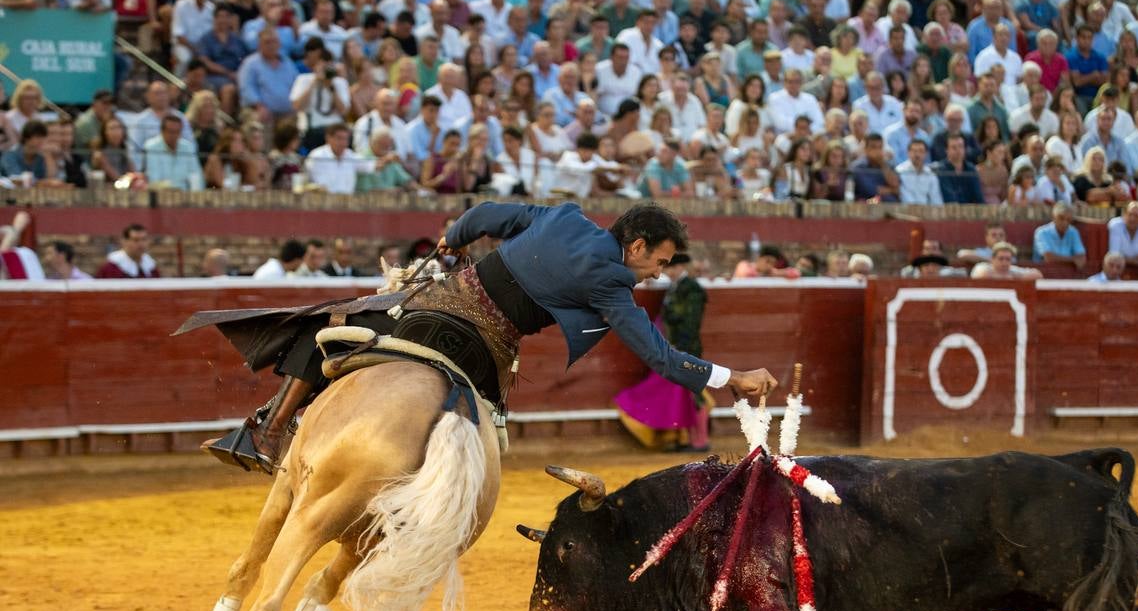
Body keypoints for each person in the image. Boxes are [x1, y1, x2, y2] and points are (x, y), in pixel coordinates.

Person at [200, 202, 777, 472]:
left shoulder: (564, 216)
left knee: (333, 322)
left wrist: (451, 242)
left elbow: (482, 215)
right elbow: (661, 358)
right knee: (484, 439)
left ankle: (269, 431)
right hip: (491, 348)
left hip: (438, 299)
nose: (659, 273)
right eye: (660, 261)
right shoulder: (612, 284)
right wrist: (736, 377)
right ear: (636, 246)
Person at [614, 252, 712, 452]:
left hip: (685, 349)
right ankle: (687, 440)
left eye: (670, 268)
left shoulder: (691, 289)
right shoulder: (677, 288)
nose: (667, 272)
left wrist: (680, 349)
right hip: (675, 349)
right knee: (684, 395)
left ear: (679, 267)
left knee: (695, 395)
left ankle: (701, 441)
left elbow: (691, 324)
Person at [1032, 202, 1087, 271]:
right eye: (1061, 218)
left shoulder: (1073, 231)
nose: (1065, 222)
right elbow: (1048, 257)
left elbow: (1082, 258)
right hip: (1045, 274)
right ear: (1053, 217)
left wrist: (1061, 258)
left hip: (1068, 275)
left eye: (1068, 220)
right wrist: (1073, 259)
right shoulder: (1042, 232)